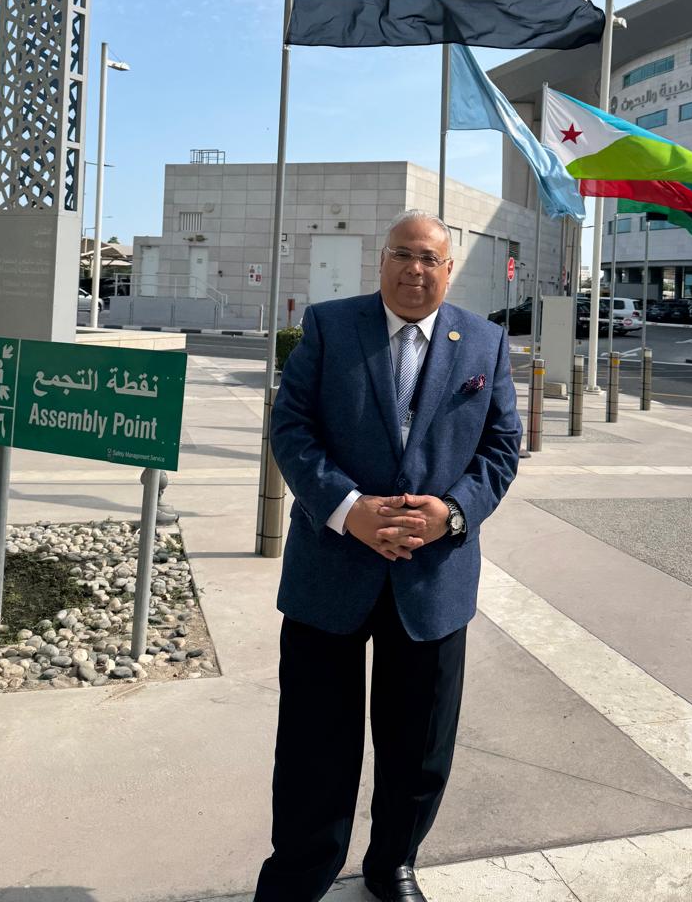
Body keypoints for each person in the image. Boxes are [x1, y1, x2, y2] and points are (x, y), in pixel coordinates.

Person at [254, 210, 521, 902]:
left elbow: (501, 447)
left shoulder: (485, 342)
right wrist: (349, 510)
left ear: (449, 269)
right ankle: (300, 874)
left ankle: (393, 863)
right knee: (314, 743)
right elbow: (291, 426)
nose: (415, 270)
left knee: (419, 746)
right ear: (381, 260)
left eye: (430, 258)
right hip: (331, 570)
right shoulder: (329, 326)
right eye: (403, 254)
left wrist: (450, 513)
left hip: (432, 580)